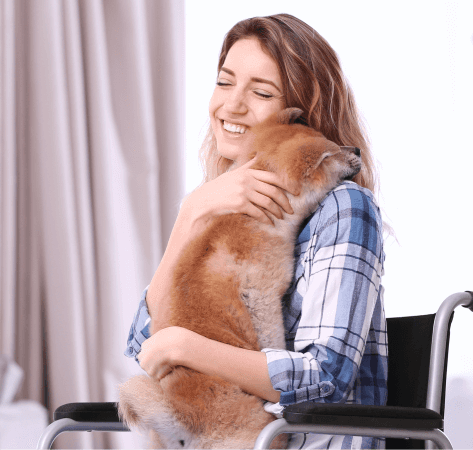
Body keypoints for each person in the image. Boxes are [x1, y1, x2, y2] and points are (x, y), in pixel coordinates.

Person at [124, 13, 387, 450]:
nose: (232, 105)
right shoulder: (217, 204)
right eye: (225, 82)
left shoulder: (343, 208)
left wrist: (189, 349)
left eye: (261, 92)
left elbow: (327, 377)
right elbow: (145, 346)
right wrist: (191, 213)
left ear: (298, 118)